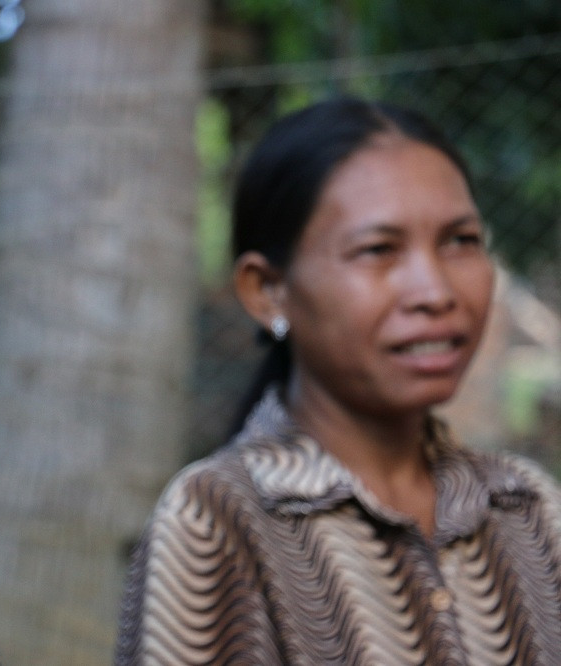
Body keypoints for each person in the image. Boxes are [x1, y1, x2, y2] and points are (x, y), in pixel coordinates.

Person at [116, 98, 561, 664]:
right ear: (267, 291)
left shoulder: (528, 507)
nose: (435, 291)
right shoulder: (216, 522)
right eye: (378, 249)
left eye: (460, 241)